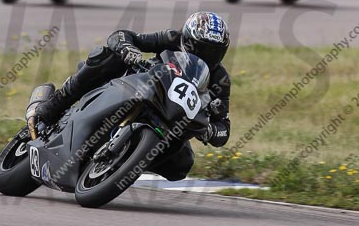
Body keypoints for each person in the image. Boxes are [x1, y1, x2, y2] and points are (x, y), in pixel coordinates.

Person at [29, 11, 231, 181]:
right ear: (187, 39)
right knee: (107, 57)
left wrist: (211, 130)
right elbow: (124, 35)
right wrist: (127, 48)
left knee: (182, 164)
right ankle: (50, 108)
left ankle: (126, 161)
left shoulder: (220, 79)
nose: (206, 55)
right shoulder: (171, 39)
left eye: (214, 52)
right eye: (202, 48)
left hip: (170, 117)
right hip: (138, 84)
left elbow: (224, 128)